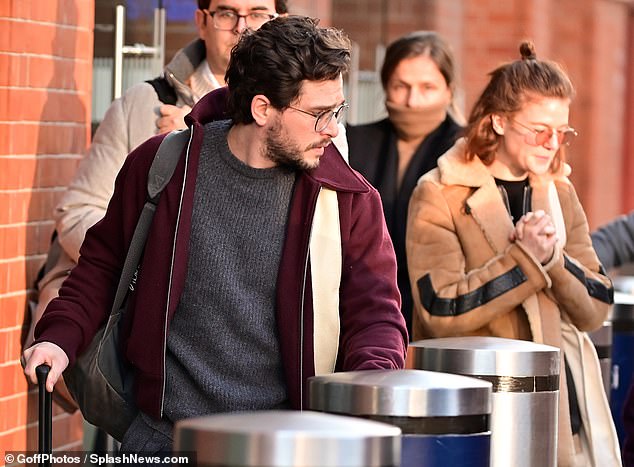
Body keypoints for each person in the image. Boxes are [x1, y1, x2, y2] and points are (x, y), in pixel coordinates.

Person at [23, 16, 408, 454]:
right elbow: (101, 266)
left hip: (287, 447)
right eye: (319, 114)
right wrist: (57, 337)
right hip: (161, 442)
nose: (334, 129)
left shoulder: (348, 199)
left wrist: (367, 396)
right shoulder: (163, 166)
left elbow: (376, 316)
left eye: (338, 111)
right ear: (262, 109)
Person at [22, 0, 287, 410]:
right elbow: (78, 213)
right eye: (226, 13)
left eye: (258, 13)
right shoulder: (142, 104)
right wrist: (152, 259)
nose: (242, 27)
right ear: (201, 21)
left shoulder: (308, 124)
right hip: (144, 333)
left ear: (280, 22)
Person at [406, 42, 620, 466]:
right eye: (540, 129)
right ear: (499, 121)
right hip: (477, 412)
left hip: (562, 412)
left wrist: (553, 260)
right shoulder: (439, 192)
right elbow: (440, 310)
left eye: (563, 132)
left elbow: (596, 306)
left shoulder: (560, 190)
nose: (552, 143)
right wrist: (525, 260)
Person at [347, 31, 463, 333]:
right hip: (360, 311)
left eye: (427, 88)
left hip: (438, 319)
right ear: (386, 87)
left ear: (449, 91)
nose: (413, 101)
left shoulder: (467, 152)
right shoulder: (352, 143)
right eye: (401, 86)